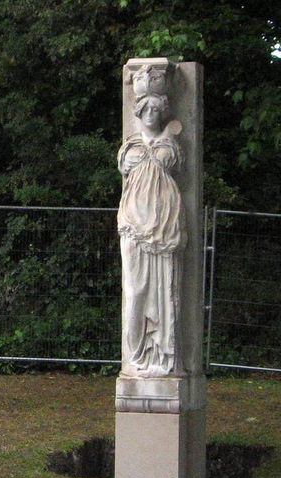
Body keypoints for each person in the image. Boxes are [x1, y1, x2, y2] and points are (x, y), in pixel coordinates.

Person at [117, 85, 186, 377]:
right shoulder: (131, 146)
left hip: (164, 228)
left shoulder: (170, 146)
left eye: (157, 110)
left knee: (163, 291)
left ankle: (160, 351)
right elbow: (127, 166)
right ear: (139, 111)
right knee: (135, 291)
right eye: (146, 109)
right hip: (134, 226)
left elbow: (173, 163)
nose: (151, 115)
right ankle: (136, 354)